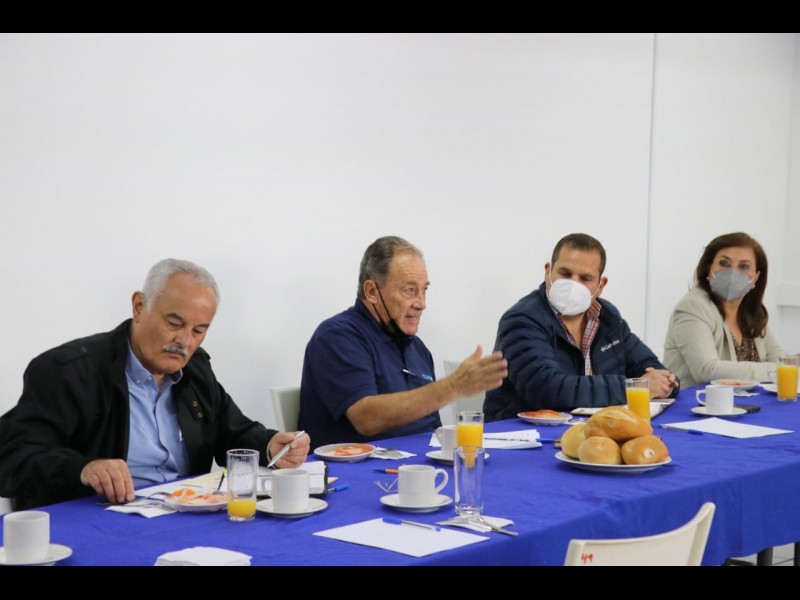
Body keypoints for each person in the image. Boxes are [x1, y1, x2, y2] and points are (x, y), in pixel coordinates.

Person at [0, 258, 310, 510]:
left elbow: (232, 431)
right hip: (99, 519)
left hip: (186, 514)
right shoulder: (69, 372)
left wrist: (270, 444)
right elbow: (12, 458)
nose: (184, 342)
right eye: (174, 324)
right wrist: (83, 468)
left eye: (198, 331)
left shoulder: (196, 369)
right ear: (138, 306)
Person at [298, 235, 508, 448]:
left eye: (424, 290)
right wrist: (453, 386)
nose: (422, 303)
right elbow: (366, 418)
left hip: (421, 463)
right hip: (358, 467)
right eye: (410, 290)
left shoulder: (418, 349)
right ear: (372, 292)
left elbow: (432, 430)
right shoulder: (336, 337)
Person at [483, 233, 679, 421]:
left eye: (585, 278)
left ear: (601, 285)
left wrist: (665, 382)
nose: (573, 284)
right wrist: (637, 388)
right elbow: (550, 390)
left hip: (590, 432)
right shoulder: (522, 320)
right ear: (548, 271)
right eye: (565, 274)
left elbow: (655, 370)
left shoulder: (607, 317)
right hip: (521, 435)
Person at [663, 232, 785, 387]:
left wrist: (791, 364)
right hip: (698, 400)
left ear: (755, 277)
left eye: (744, 266)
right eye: (724, 263)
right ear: (709, 269)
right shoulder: (692, 307)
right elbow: (707, 370)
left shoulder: (750, 310)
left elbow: (775, 354)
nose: (733, 273)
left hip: (745, 400)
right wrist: (777, 371)